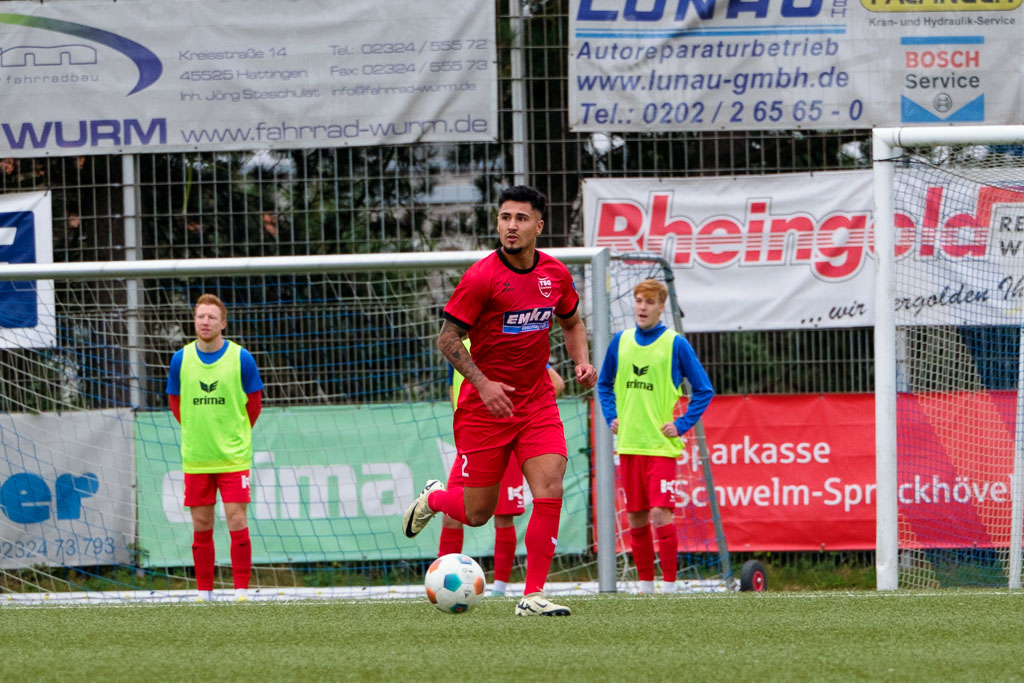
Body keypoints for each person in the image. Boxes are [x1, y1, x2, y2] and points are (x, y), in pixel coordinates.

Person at [403, 185, 597, 617]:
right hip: (484, 408)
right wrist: (484, 383)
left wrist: (581, 361)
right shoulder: (482, 277)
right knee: (477, 514)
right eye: (505, 217)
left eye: (521, 218)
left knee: (549, 487)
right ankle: (435, 498)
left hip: (536, 402)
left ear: (538, 226)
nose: (511, 226)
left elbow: (572, 322)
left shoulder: (556, 276)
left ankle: (532, 595)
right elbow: (447, 339)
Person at [596, 279, 714, 594]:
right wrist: (611, 416)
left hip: (661, 447)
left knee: (661, 512)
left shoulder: (676, 344)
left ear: (662, 307)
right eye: (638, 301)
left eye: (649, 302)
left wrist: (683, 423)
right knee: (635, 517)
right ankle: (646, 586)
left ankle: (671, 586)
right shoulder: (620, 342)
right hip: (630, 444)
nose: (642, 307)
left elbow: (704, 389)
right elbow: (604, 384)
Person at [438, 338, 566, 598]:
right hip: (477, 439)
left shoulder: (510, 338)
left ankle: (500, 589)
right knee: (456, 515)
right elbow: (455, 396)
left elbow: (556, 383)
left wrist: (519, 408)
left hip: (510, 435)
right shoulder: (457, 346)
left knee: (503, 515)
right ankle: (440, 581)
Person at [166, 293, 264, 602]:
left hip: (233, 456)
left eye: (211, 317)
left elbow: (254, 404)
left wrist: (232, 433)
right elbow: (176, 403)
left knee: (237, 519)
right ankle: (205, 592)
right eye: (200, 316)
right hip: (197, 457)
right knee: (201, 524)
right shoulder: (181, 359)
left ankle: (240, 592)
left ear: (223, 323)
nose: (205, 322)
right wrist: (198, 431)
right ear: (193, 321)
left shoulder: (241, 358)